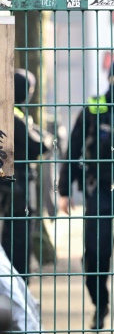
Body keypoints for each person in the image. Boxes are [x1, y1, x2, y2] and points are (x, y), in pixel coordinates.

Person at [58, 59, 114, 331]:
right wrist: (64, 190)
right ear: (109, 77)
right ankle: (100, 306)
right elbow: (73, 148)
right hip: (99, 186)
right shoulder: (93, 108)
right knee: (95, 251)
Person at [0, 69, 50, 279]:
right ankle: (18, 283)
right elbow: (39, 145)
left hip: (13, 185)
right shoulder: (14, 117)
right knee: (18, 240)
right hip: (17, 187)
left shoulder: (11, 113)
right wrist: (44, 136)